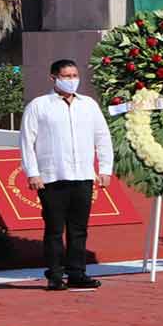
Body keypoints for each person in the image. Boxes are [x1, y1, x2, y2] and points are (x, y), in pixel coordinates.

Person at [20, 59, 113, 291]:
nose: (72, 80)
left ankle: (77, 273)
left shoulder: (89, 105)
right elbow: (26, 142)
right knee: (54, 229)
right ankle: (55, 275)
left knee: (78, 229)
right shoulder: (39, 105)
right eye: (67, 76)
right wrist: (33, 173)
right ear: (54, 78)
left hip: (82, 175)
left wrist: (105, 169)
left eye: (74, 75)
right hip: (52, 177)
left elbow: (102, 137)